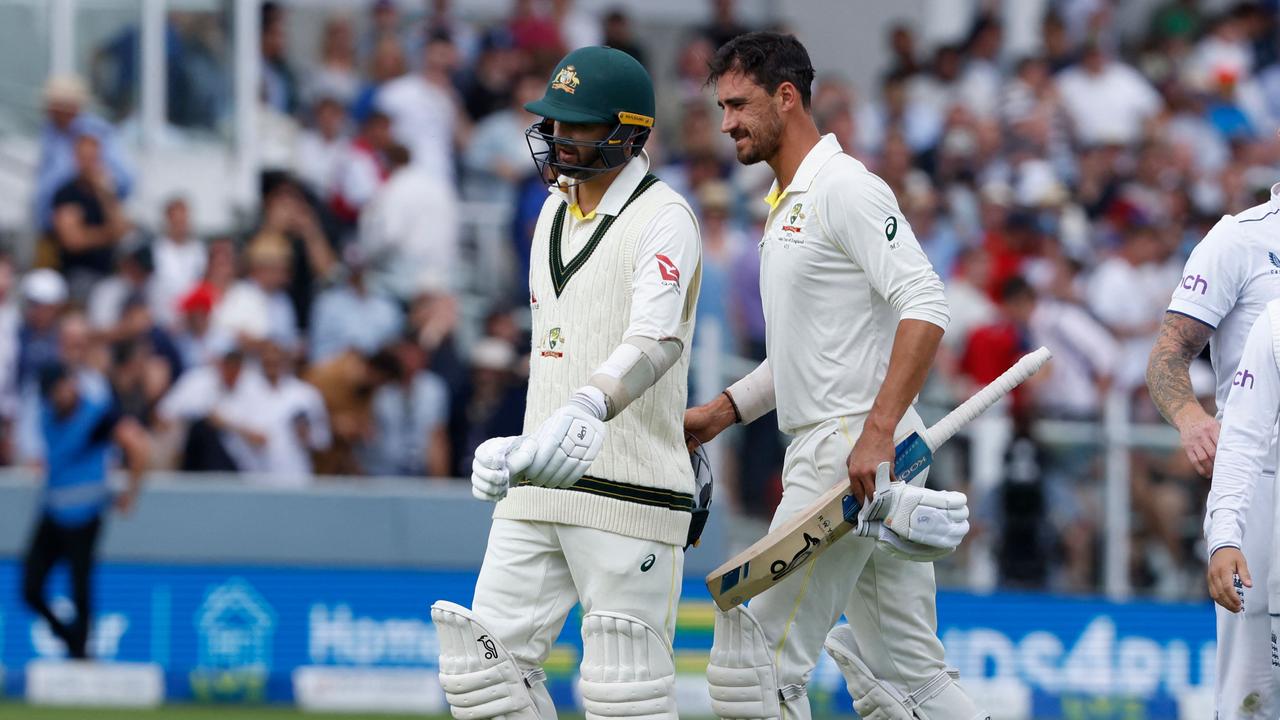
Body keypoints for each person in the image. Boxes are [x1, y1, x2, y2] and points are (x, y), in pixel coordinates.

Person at [685, 33, 982, 720]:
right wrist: (722, 412)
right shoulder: (787, 199)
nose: (725, 122)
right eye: (721, 106)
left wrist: (875, 435)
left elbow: (926, 304)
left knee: (755, 665)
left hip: (850, 449)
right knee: (914, 676)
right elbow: (803, 355)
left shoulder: (843, 188)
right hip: (853, 447)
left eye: (738, 104)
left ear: (786, 97)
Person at [432, 46, 702, 719]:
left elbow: (658, 336)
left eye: (580, 125)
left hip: (629, 491)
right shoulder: (551, 211)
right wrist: (518, 446)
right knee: (481, 677)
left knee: (624, 696)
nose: (560, 138)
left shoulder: (664, 216)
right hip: (537, 488)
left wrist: (590, 402)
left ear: (630, 131)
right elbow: (557, 348)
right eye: (555, 122)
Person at [1147, 181, 1280, 719]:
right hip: (1258, 480)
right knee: (1252, 694)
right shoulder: (1238, 240)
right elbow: (1168, 351)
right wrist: (1191, 419)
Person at [22, 362, 148, 659]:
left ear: (71, 383)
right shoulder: (45, 416)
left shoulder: (97, 415)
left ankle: (82, 651)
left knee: (80, 587)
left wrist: (130, 492)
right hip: (52, 512)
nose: (56, 397)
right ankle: (69, 639)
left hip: (86, 514)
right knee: (30, 590)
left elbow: (138, 445)